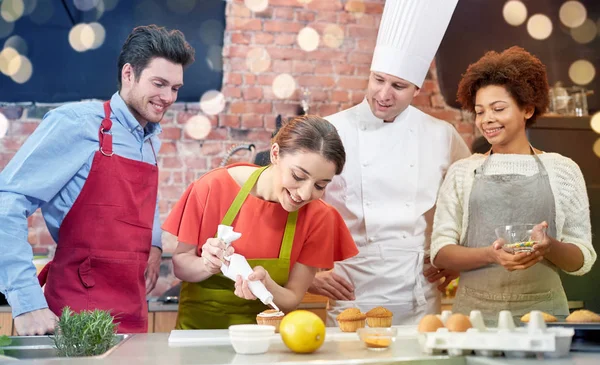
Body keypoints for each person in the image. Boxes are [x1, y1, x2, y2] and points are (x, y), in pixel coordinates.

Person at [0, 25, 195, 335]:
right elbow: (6, 202)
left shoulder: (150, 141)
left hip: (133, 314)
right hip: (75, 317)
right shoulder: (77, 124)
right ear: (129, 74)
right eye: (159, 84)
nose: (168, 97)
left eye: (175, 88)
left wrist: (154, 246)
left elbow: (146, 202)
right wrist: (27, 302)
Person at [307, 0, 471, 326]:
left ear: (416, 89)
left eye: (398, 86)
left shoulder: (441, 134)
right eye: (378, 80)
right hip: (351, 286)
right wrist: (307, 273)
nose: (384, 94)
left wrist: (459, 259)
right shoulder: (329, 130)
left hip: (419, 289)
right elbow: (296, 206)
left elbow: (472, 197)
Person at [430, 46, 596, 325]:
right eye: (480, 112)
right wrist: (491, 255)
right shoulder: (462, 172)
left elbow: (582, 260)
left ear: (527, 109)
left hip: (545, 319)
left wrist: (549, 247)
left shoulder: (563, 169)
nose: (487, 120)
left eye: (498, 109)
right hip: (473, 320)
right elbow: (441, 252)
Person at [163, 115, 359, 329]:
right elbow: (181, 264)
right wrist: (207, 264)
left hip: (265, 341)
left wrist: (267, 284)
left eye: (320, 186)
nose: (304, 194)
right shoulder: (213, 187)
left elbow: (291, 298)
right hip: (198, 336)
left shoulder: (319, 217)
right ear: (275, 154)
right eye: (298, 176)